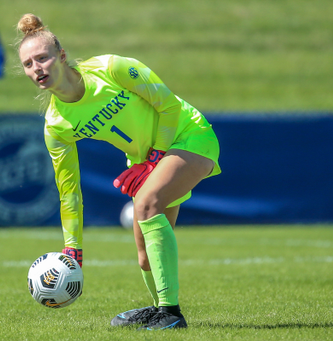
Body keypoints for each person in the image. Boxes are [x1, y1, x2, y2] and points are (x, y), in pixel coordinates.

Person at [16, 13, 221, 331]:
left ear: (62, 56)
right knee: (144, 256)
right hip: (147, 161)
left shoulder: (111, 68)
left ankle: (170, 313)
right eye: (28, 64)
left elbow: (168, 105)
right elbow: (69, 192)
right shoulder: (56, 126)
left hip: (189, 134)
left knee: (146, 204)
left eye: (42, 58)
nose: (36, 68)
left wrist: (153, 159)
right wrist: (73, 247)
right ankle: (159, 309)